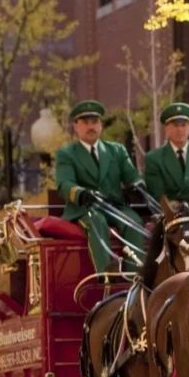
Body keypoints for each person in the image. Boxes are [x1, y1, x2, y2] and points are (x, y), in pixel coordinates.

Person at [55, 100, 146, 273]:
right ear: (76, 126)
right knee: (97, 220)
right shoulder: (66, 154)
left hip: (114, 206)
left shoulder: (116, 151)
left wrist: (137, 186)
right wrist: (80, 193)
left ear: (101, 125)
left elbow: (132, 175)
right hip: (83, 208)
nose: (91, 127)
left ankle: (135, 273)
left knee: (134, 220)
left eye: (95, 122)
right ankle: (106, 274)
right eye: (85, 122)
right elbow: (64, 183)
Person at [144, 103, 189, 220]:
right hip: (171, 217)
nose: (180, 129)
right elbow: (157, 195)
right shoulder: (154, 158)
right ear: (167, 129)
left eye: (184, 125)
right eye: (175, 125)